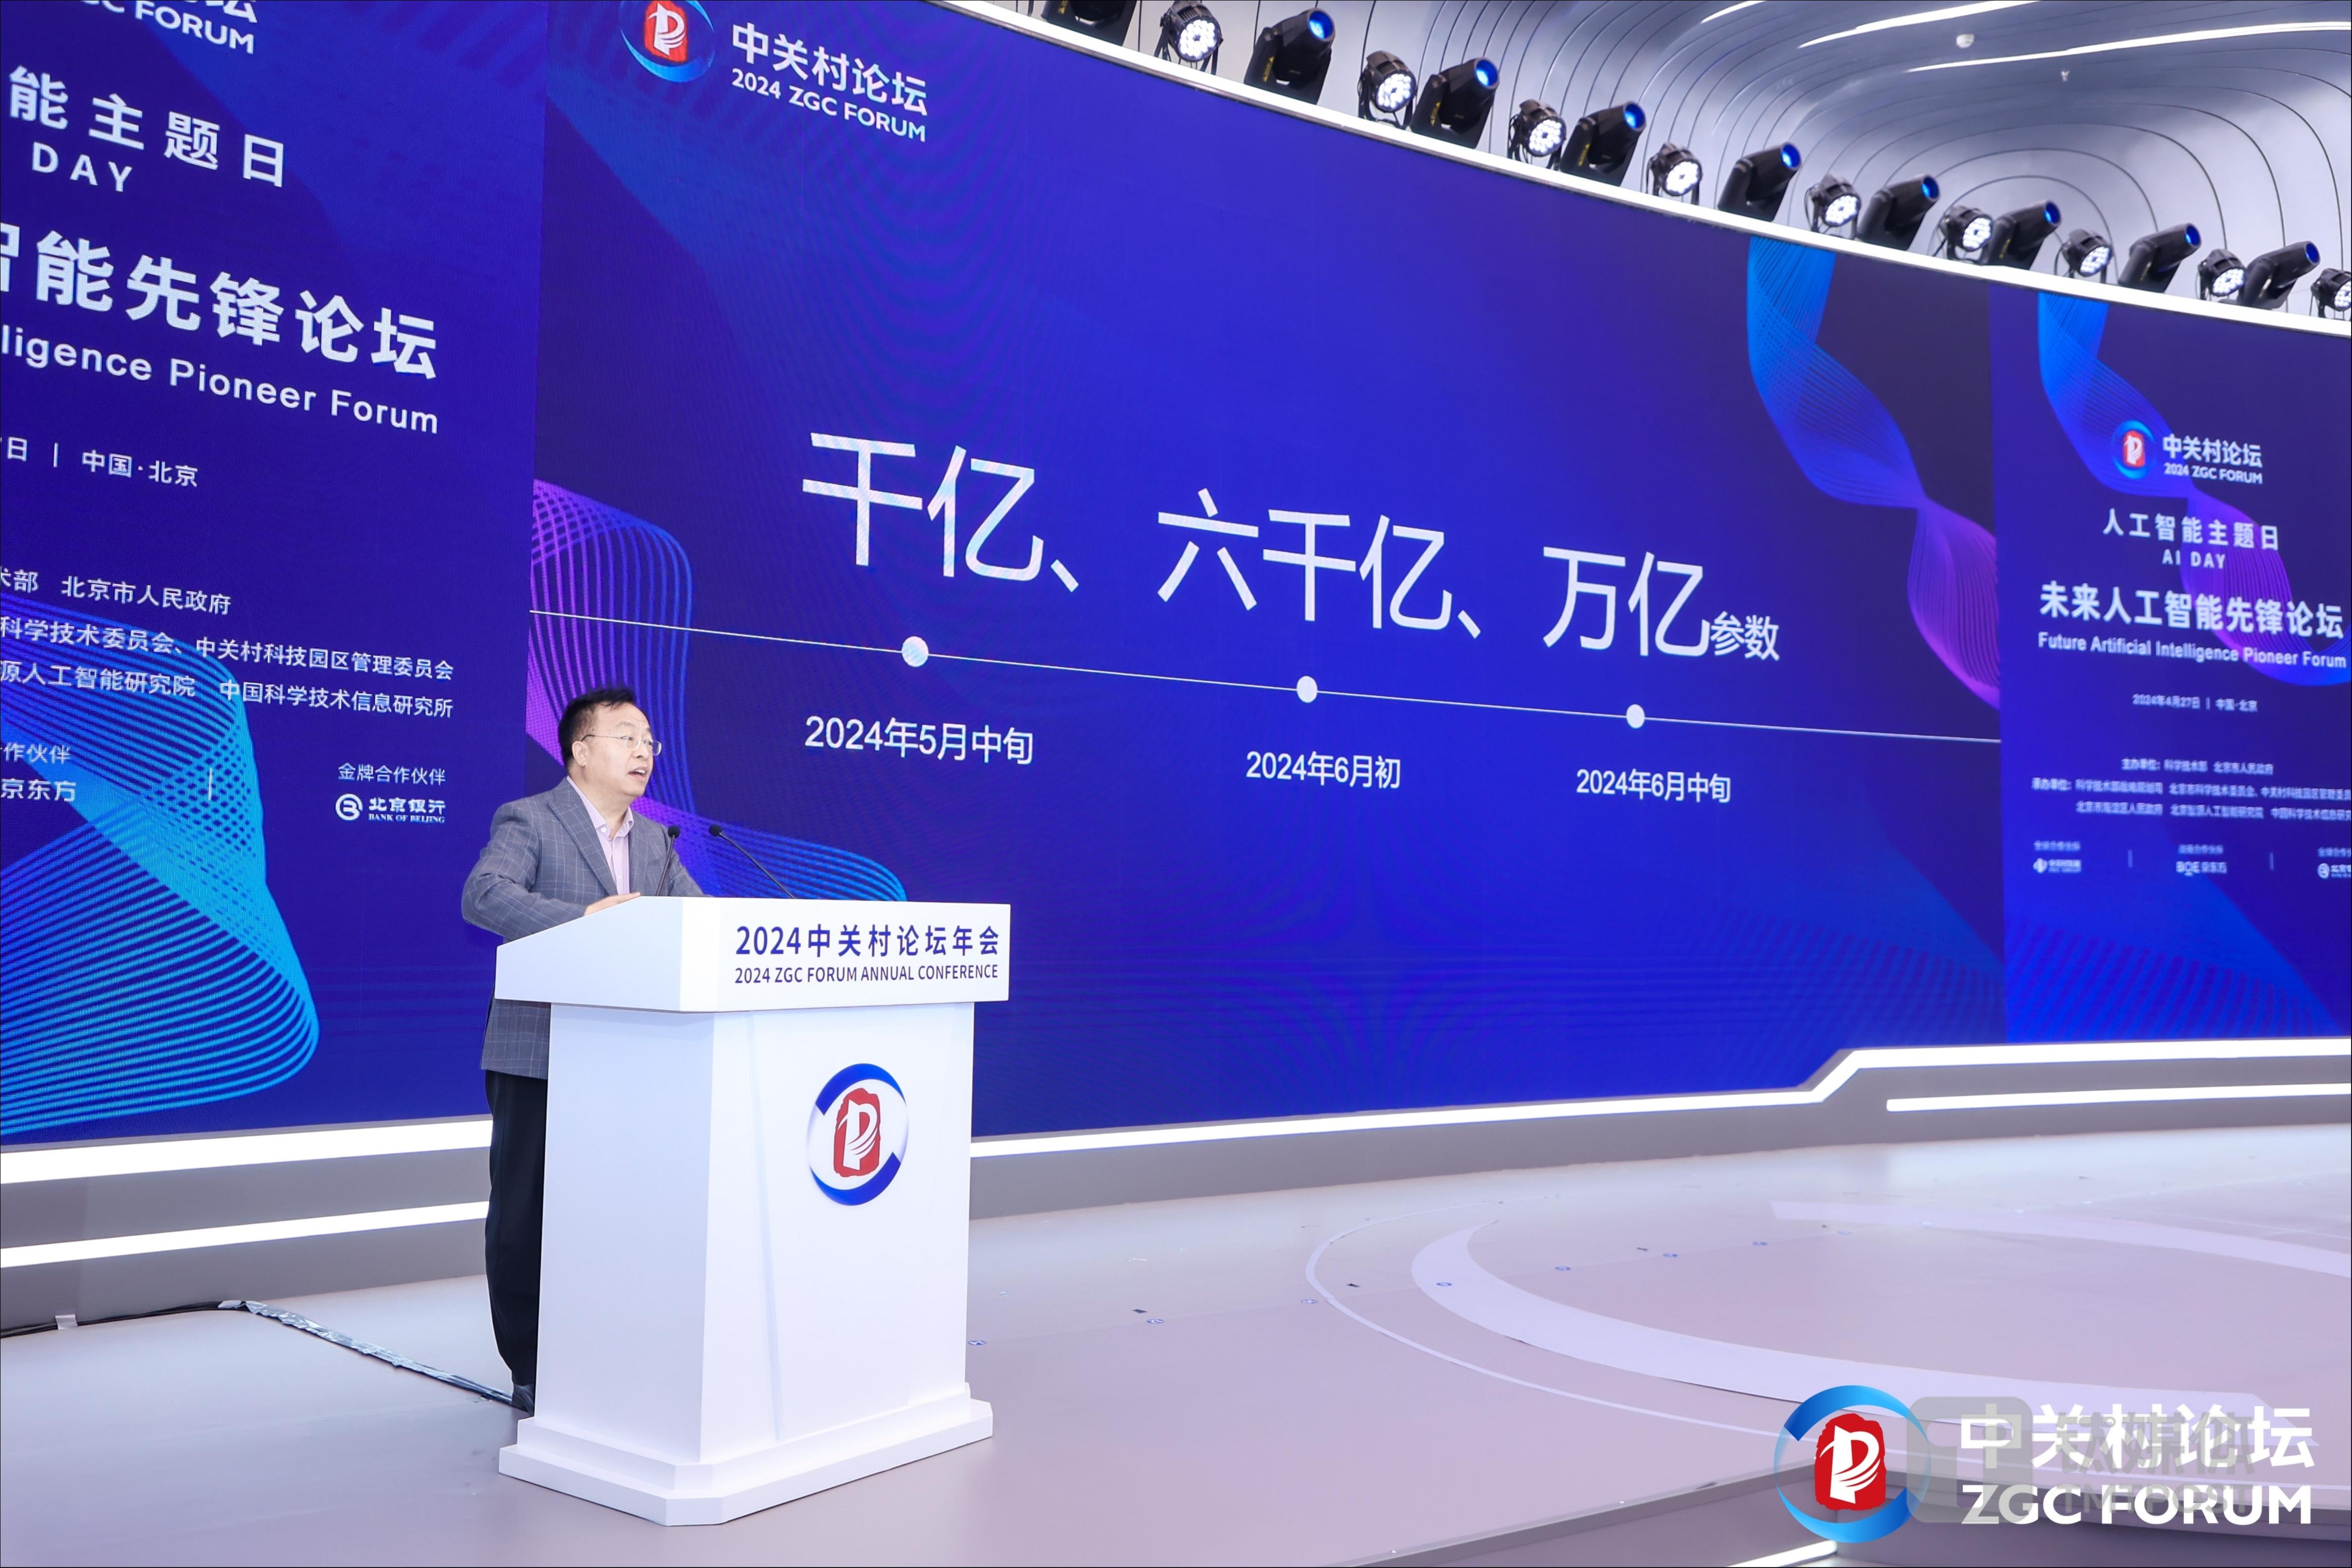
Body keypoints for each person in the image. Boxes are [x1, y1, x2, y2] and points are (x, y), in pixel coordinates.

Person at [460, 684, 701, 1414]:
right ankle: (530, 1362)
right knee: (526, 1214)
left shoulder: (656, 842)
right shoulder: (530, 818)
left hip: (627, 1058)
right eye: (627, 737)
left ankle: (606, 1347)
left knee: (614, 1212)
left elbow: (699, 925)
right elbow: (484, 894)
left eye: (650, 741)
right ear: (580, 750)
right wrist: (584, 920)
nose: (643, 751)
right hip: (539, 1050)